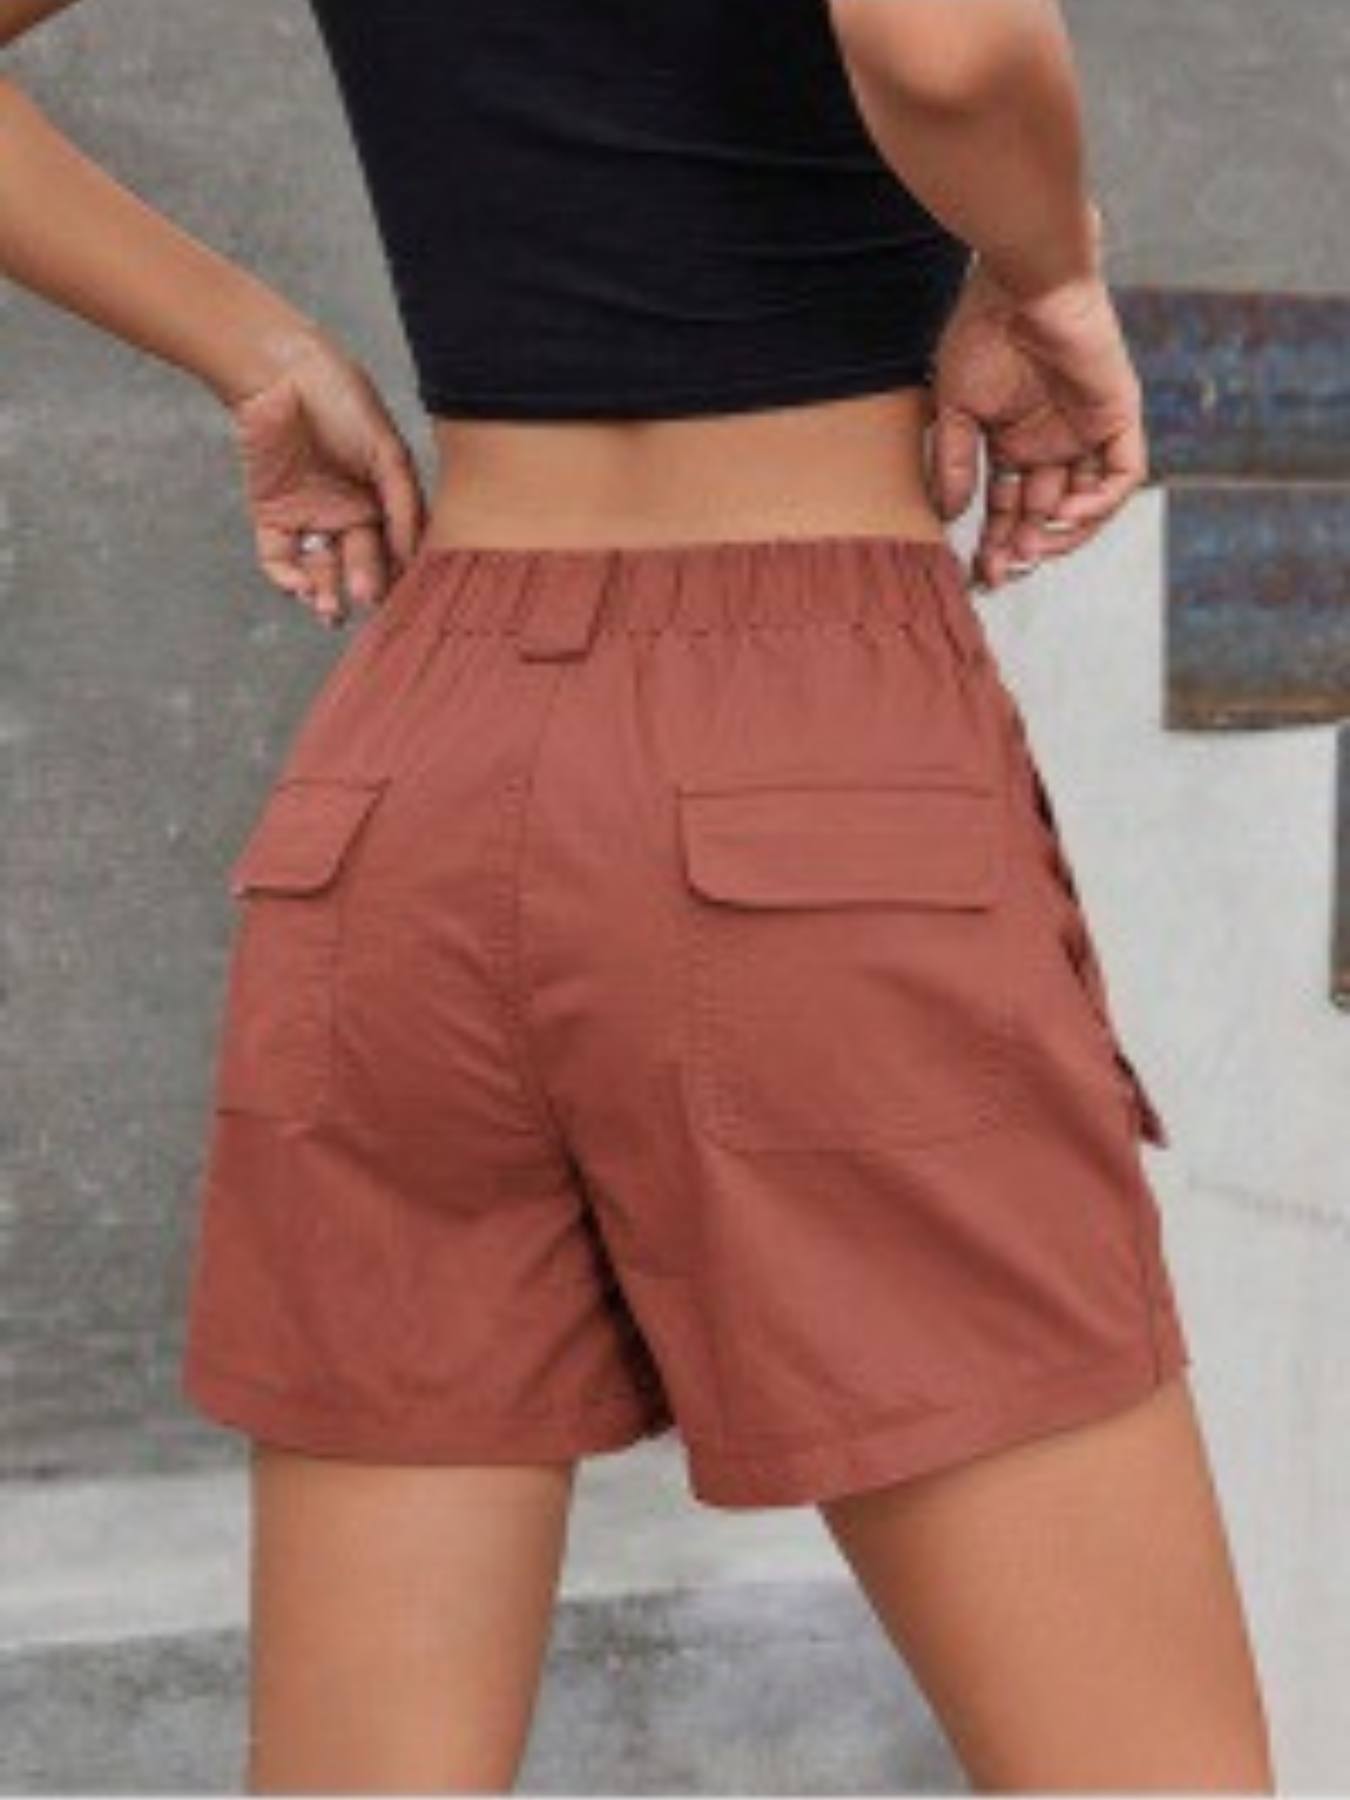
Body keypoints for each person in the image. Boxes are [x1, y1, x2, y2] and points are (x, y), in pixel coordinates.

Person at [0, 1, 1275, 1790]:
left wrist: (258, 351)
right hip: (810, 762)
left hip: (415, 766)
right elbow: (947, 51)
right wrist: (1046, 269)